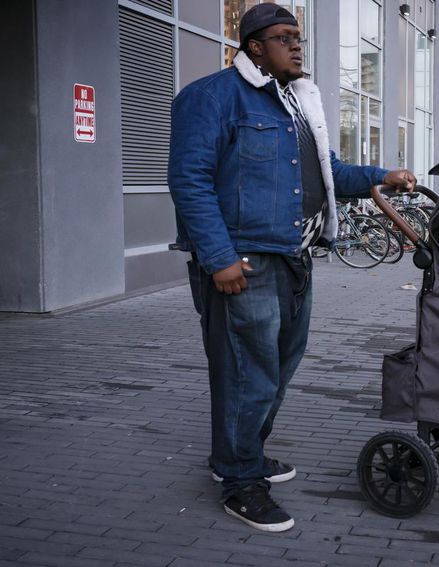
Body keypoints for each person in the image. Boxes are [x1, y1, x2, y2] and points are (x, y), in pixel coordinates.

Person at [167, 4, 416, 533]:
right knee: (245, 376)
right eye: (284, 38)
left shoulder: (295, 103)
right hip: (243, 262)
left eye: (298, 37)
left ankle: (242, 456)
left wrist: (381, 175)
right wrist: (219, 258)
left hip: (294, 258)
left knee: (276, 370)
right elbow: (189, 181)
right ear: (254, 47)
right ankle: (239, 482)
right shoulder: (211, 98)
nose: (297, 46)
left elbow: (326, 174)